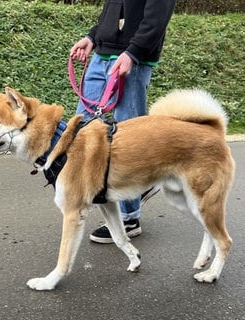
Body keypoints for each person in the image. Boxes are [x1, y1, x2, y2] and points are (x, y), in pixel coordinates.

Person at [70, 0, 176, 244]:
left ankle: (130, 217)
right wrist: (92, 38)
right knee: (82, 130)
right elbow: (111, 15)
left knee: (128, 140)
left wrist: (133, 53)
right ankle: (97, 195)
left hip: (132, 59)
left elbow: (157, 16)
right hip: (101, 56)